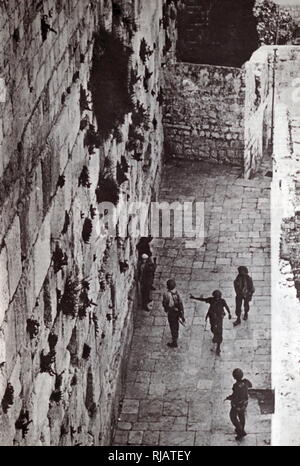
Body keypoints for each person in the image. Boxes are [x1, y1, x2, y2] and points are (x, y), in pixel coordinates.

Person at [190, 290, 231, 355]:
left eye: (218, 297)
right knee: (213, 329)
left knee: (219, 332)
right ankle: (215, 337)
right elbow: (203, 299)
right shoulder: (211, 300)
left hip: (219, 318)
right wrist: (194, 297)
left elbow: (226, 306)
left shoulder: (222, 301)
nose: (217, 298)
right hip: (212, 317)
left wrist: (229, 313)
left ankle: (218, 347)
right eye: (216, 297)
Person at [225, 368, 252, 441]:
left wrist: (229, 398)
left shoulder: (236, 386)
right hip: (244, 403)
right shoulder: (246, 382)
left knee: (233, 416)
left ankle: (240, 431)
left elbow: (235, 396)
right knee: (241, 416)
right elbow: (250, 385)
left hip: (237, 405)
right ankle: (241, 428)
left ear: (234, 377)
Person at [162, 279, 185, 348]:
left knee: (173, 326)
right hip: (177, 312)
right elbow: (181, 304)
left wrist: (166, 309)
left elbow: (165, 303)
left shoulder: (166, 294)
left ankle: (174, 342)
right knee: (176, 325)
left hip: (171, 312)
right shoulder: (177, 293)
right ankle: (176, 335)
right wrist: (182, 314)